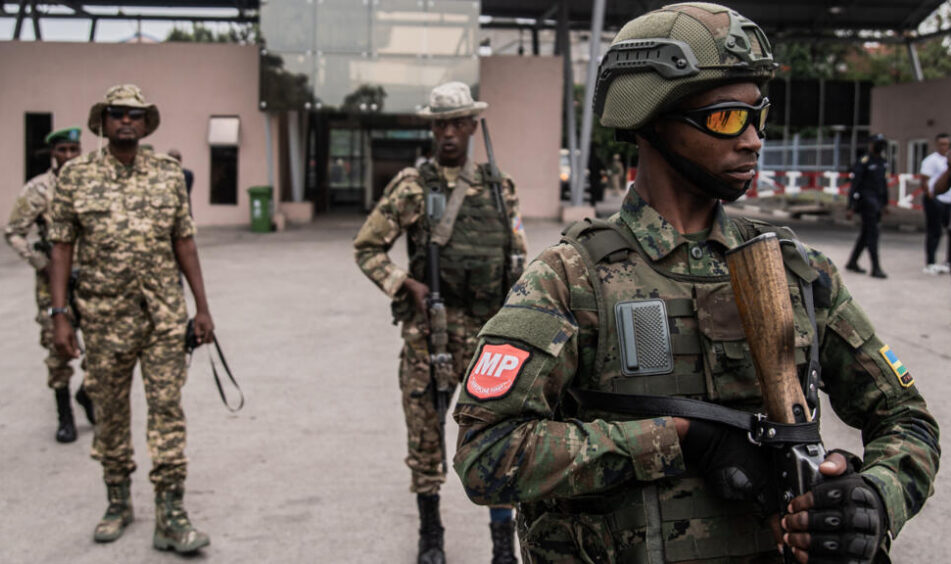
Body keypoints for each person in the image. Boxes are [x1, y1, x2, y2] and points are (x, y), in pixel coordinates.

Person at [452, 4, 939, 563]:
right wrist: (680, 439)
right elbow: (486, 454)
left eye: (759, 116)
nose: (753, 140)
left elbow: (907, 419)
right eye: (728, 118)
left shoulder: (798, 272)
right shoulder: (572, 278)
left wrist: (874, 498)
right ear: (652, 118)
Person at [354, 81, 528, 564]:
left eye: (457, 123)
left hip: (489, 336)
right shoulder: (413, 186)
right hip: (429, 335)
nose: (448, 133)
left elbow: (518, 256)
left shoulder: (500, 188)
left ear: (472, 126)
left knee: (497, 439)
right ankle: (431, 536)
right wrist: (405, 285)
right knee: (425, 439)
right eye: (440, 124)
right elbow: (367, 248)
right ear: (432, 129)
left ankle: (502, 546)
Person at [48, 84, 214, 554]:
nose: (126, 120)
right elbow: (61, 246)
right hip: (104, 319)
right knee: (111, 415)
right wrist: (60, 316)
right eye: (117, 113)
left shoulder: (167, 174)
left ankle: (171, 514)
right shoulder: (76, 176)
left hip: (163, 316)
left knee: (167, 411)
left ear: (145, 124)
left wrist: (202, 308)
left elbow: (184, 241)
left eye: (135, 114)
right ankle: (118, 501)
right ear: (103, 122)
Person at [4, 127, 95, 443]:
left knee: (103, 346)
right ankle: (65, 416)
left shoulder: (94, 185)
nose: (68, 156)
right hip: (52, 281)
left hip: (92, 279)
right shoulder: (38, 189)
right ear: (53, 154)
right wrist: (40, 263)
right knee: (58, 351)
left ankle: (87, 394)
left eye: (73, 150)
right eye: (62, 150)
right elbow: (13, 232)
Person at [845, 134, 890, 279]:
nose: (879, 146)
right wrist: (850, 206)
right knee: (872, 234)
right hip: (866, 202)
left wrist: (885, 203)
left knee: (866, 234)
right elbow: (854, 185)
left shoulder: (883, 162)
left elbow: (884, 184)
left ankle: (852, 262)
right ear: (871, 145)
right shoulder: (864, 161)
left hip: (877, 202)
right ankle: (876, 268)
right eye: (877, 143)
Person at [919, 133, 951, 274]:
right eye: (942, 144)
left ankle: (948, 262)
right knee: (935, 231)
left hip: (949, 200)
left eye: (947, 144)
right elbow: (925, 180)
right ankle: (930, 262)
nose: (944, 147)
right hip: (936, 199)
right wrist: (930, 195)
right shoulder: (931, 160)